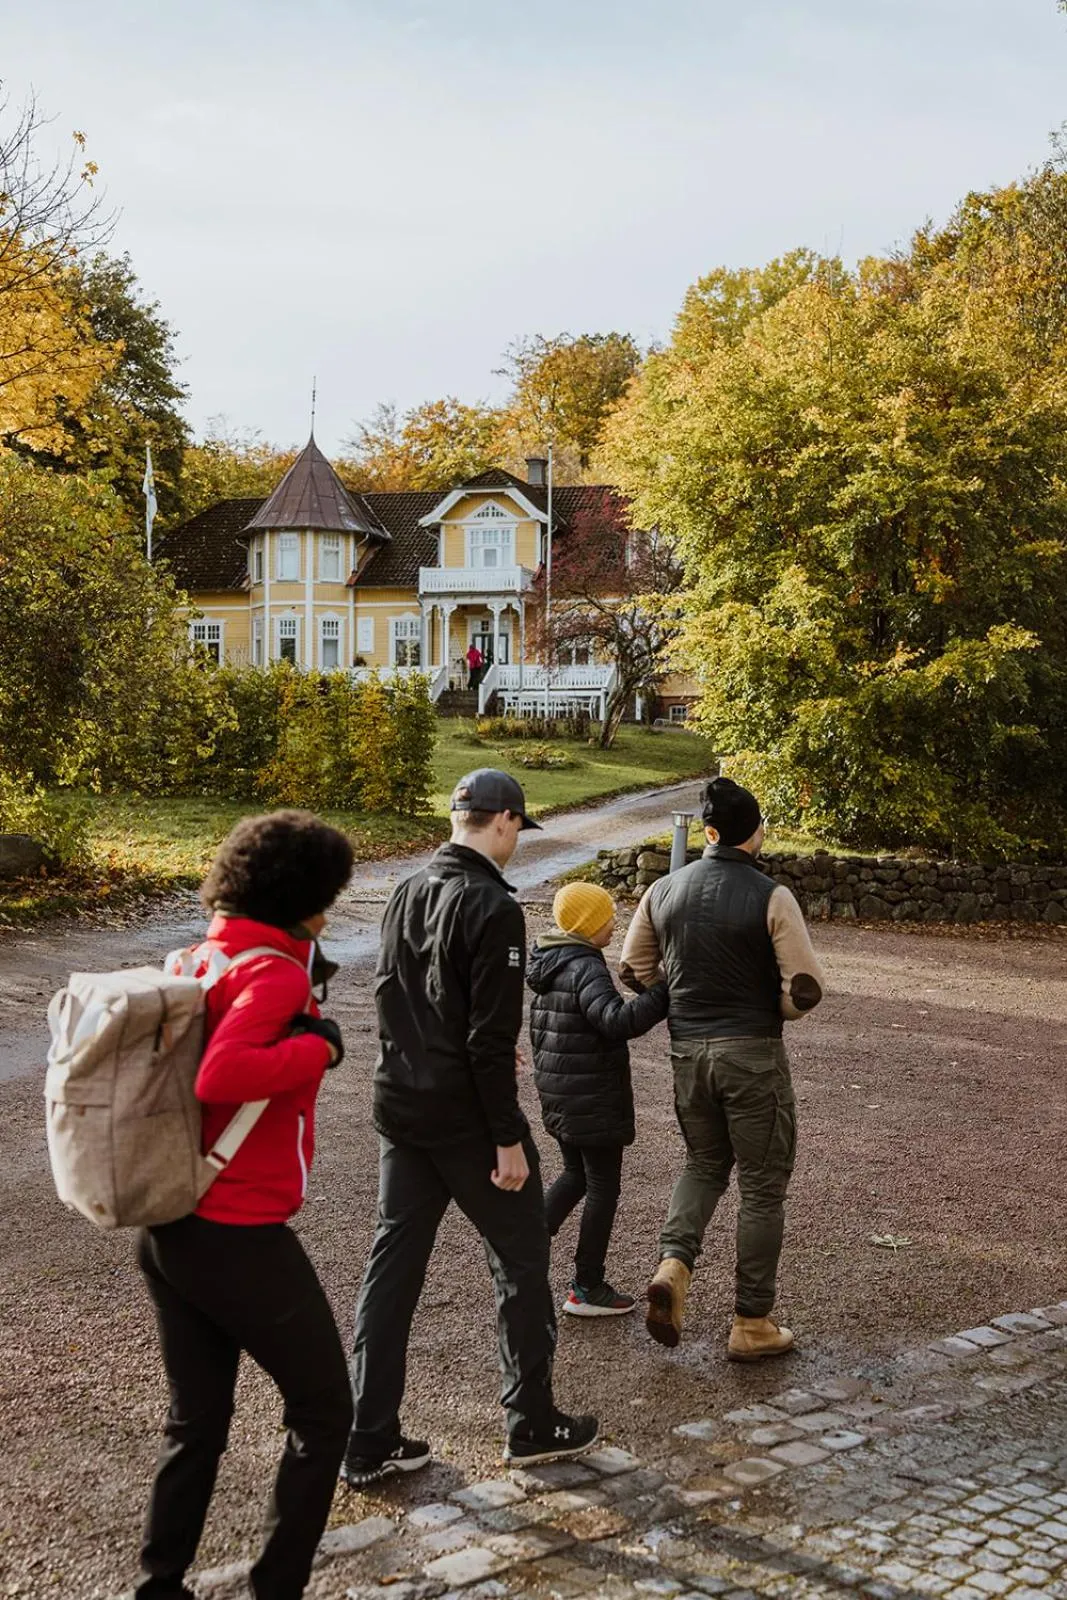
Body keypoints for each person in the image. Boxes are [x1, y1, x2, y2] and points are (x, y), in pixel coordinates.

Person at [343, 768, 599, 1487]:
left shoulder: (404, 890)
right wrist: (508, 1135)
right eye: (519, 828)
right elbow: (488, 1041)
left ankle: (367, 1436)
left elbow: (400, 997)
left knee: (391, 1270)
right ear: (505, 821)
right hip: (463, 1119)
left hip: (400, 1103)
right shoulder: (492, 906)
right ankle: (530, 1422)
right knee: (519, 1260)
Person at [135, 810, 355, 1600]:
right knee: (326, 1409)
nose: (331, 912)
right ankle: (276, 1589)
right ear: (301, 897)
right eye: (327, 895)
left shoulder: (198, 957)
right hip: (235, 1232)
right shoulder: (276, 972)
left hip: (170, 1218)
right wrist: (319, 1046)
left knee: (196, 1423)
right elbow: (220, 1078)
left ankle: (160, 1586)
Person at [619, 776, 825, 1362]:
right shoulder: (772, 895)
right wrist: (773, 1007)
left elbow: (633, 973)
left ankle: (674, 1266)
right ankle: (751, 1321)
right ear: (756, 833)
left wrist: (681, 996)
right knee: (762, 1187)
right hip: (752, 1053)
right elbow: (805, 990)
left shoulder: (662, 891)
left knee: (705, 1163)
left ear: (707, 833)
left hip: (689, 1053)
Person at [527, 882, 669, 1317]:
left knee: (576, 1175)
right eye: (608, 917)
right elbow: (615, 1021)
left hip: (561, 1092)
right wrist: (663, 993)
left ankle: (521, 1246)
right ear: (588, 925)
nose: (614, 923)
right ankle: (587, 1287)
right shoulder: (585, 965)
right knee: (602, 1186)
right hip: (591, 1096)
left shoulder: (550, 963)